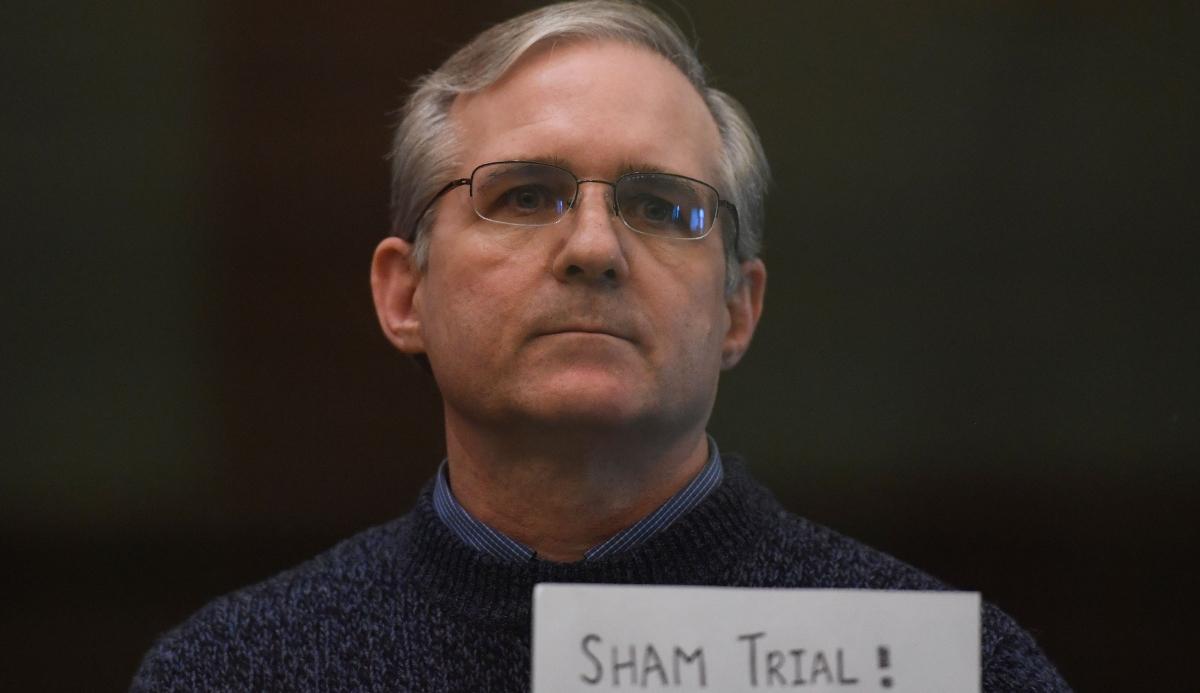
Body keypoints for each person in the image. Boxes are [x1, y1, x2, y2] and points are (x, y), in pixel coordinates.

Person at [133, 1, 1069, 690]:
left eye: (663, 208)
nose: (592, 248)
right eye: (526, 195)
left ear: (738, 310)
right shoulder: (232, 670)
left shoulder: (961, 671)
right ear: (404, 292)